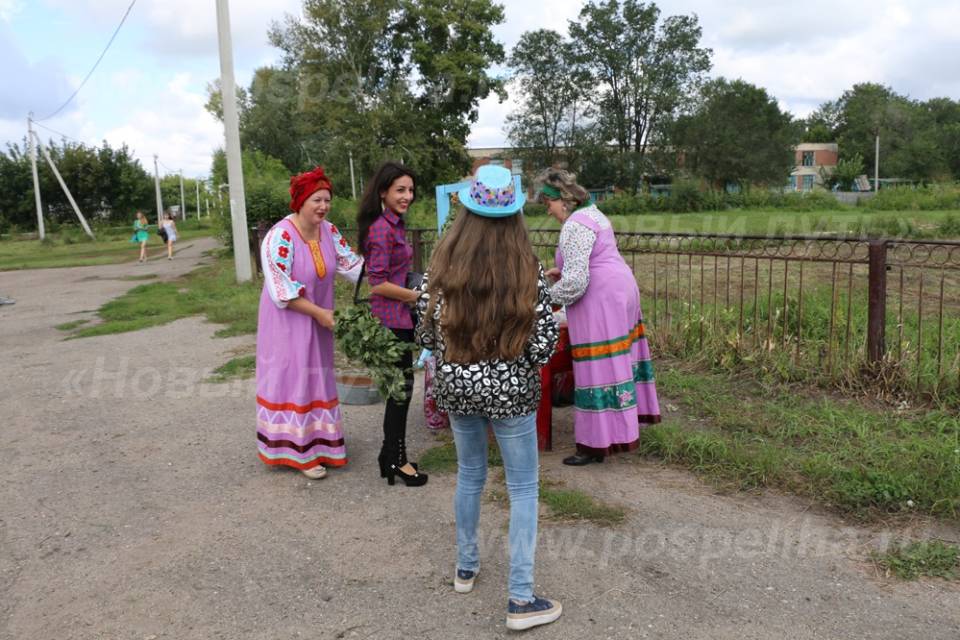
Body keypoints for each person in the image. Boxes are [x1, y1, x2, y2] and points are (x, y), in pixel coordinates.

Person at [415, 165, 562, 631]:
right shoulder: (527, 270)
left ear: (467, 211)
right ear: (515, 212)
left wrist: (461, 361)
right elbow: (541, 346)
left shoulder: (443, 263)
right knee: (522, 488)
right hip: (512, 392)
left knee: (470, 475)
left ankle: (466, 567)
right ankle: (520, 598)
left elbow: (427, 329)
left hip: (457, 387)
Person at [537, 168, 661, 466]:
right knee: (616, 362)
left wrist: (541, 300)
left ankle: (595, 445)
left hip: (600, 298)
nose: (548, 210)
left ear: (563, 200)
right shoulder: (594, 214)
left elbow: (578, 282)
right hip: (620, 289)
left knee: (597, 367)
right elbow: (590, 261)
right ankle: (614, 432)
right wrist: (563, 274)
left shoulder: (574, 226)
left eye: (548, 203)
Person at [256, 166, 363, 480]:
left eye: (327, 200)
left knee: (317, 375)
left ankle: (322, 446)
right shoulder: (281, 236)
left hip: (319, 319)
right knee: (294, 377)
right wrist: (320, 314)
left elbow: (351, 264)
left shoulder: (328, 231)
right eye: (317, 199)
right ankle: (299, 452)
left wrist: (386, 277)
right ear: (300, 202)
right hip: (287, 322)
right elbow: (280, 291)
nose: (323, 206)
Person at [356, 161, 427, 487]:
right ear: (383, 192)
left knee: (402, 392)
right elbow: (378, 283)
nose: (407, 196)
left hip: (399, 319)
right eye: (400, 190)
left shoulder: (394, 223)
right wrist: (417, 297)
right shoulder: (382, 229)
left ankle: (390, 457)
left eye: (410, 190)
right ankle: (396, 461)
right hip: (389, 322)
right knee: (400, 394)